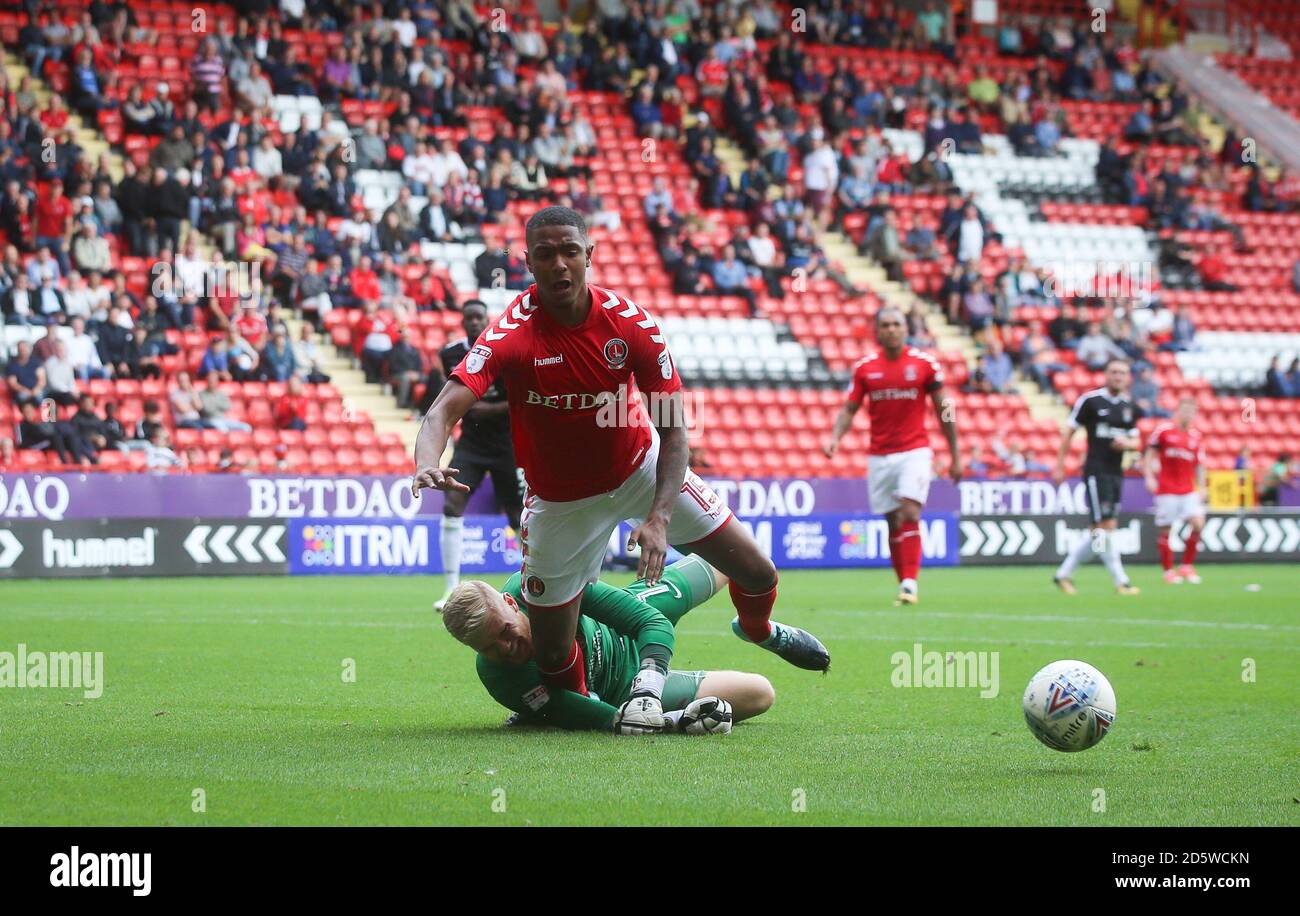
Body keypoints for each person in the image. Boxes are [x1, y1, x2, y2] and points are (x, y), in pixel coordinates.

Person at [414, 207, 828, 728]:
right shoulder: (510, 334)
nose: (559, 264)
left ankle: (759, 631)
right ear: (528, 262)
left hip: (639, 468)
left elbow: (675, 429)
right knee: (552, 649)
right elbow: (443, 409)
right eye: (545, 254)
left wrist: (656, 519)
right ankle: (608, 714)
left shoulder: (632, 326)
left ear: (589, 255)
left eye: (569, 251)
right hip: (559, 503)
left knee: (758, 572)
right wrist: (427, 461)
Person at [441, 555, 772, 733]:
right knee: (760, 693)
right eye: (488, 648)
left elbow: (651, 622)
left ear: (512, 604)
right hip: (622, 693)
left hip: (628, 621)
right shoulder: (500, 678)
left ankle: (759, 629)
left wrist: (649, 687)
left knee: (731, 559)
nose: (505, 648)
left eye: (505, 631)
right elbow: (603, 718)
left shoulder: (540, 586)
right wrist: (672, 721)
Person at [823, 306, 963, 606]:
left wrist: (955, 453)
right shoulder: (865, 368)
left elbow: (944, 409)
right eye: (885, 325)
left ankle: (911, 583)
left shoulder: (925, 364)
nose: (891, 329)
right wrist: (835, 437)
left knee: (910, 512)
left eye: (896, 324)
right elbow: (850, 408)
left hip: (915, 451)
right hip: (880, 455)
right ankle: (904, 583)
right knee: (892, 521)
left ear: (906, 328)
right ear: (877, 331)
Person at [427, 300, 523, 608]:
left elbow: (520, 400)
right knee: (452, 503)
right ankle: (451, 590)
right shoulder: (451, 354)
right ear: (462, 321)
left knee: (519, 515)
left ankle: (535, 585)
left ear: (486, 320)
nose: (473, 322)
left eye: (478, 317)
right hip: (472, 443)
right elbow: (458, 398)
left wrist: (486, 408)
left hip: (508, 443)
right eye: (468, 318)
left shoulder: (505, 350)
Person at [1053, 358, 1144, 596]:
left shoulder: (1129, 407)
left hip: (1116, 472)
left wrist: (1128, 444)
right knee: (1102, 529)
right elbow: (1069, 431)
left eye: (1122, 373)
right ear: (1105, 374)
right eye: (1114, 372)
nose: (1118, 377)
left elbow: (1137, 441)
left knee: (1104, 530)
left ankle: (1064, 575)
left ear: (1128, 378)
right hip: (1096, 471)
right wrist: (1060, 464)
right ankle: (1121, 582)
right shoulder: (1091, 401)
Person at [1144, 397, 1206, 585]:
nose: (1187, 414)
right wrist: (1148, 476)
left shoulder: (1196, 437)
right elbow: (1149, 454)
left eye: (1191, 411)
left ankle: (1186, 566)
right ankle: (1168, 571)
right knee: (1166, 529)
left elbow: (1200, 465)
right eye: (1185, 410)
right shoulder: (1164, 431)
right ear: (1177, 411)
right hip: (1167, 489)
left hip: (1188, 489)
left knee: (1197, 523)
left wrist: (1202, 487)